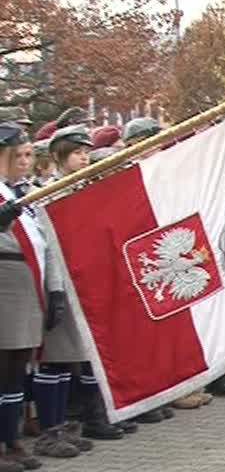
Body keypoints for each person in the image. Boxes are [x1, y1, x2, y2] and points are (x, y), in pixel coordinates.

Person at [35, 126, 127, 463]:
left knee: (88, 353)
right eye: (77, 153)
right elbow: (48, 243)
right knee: (58, 357)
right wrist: (56, 288)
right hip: (61, 280)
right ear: (58, 157)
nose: (84, 158)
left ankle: (89, 415)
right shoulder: (46, 193)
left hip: (88, 279)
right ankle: (54, 427)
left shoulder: (83, 191)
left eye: (86, 152)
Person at [0, 124, 47, 471]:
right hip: (4, 276)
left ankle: (11, 437)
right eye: (17, 154)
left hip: (25, 277)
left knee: (17, 364)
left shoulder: (18, 193)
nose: (24, 160)